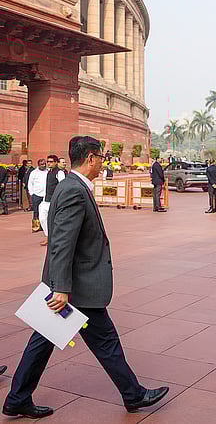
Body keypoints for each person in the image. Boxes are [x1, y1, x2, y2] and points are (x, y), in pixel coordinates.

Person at [2, 136, 169, 419]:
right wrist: (61, 288)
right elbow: (62, 243)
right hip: (77, 287)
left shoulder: (72, 186)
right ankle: (133, 395)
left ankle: (18, 398)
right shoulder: (74, 191)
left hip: (71, 284)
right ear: (90, 158)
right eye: (101, 157)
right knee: (105, 341)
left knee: (45, 340)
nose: (103, 163)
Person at [38, 155, 66, 246]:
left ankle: (53, 238)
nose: (49, 163)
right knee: (42, 218)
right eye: (48, 162)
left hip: (54, 200)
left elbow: (63, 186)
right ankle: (47, 235)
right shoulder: (48, 172)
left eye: (51, 162)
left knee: (54, 220)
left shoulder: (59, 172)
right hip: (46, 199)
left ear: (56, 162)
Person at [27, 159, 47, 233]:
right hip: (37, 195)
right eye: (42, 164)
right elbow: (30, 183)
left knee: (45, 212)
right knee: (36, 211)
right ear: (38, 165)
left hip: (46, 195)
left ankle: (43, 226)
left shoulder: (48, 172)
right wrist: (31, 193)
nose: (43, 165)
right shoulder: (34, 173)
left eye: (44, 164)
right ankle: (36, 226)